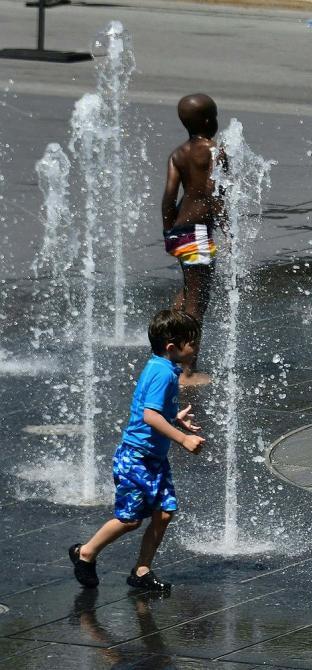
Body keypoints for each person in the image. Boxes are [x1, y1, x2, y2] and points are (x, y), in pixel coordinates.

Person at [68, 309, 206, 592]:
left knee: (165, 513)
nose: (196, 348)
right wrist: (182, 438)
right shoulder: (162, 374)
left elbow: (155, 410)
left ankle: (142, 570)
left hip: (153, 458)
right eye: (192, 342)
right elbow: (149, 416)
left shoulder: (165, 368)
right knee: (130, 519)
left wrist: (175, 417)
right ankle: (86, 552)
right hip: (136, 458)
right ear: (172, 347)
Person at [161, 93, 222, 386]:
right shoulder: (215, 151)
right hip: (199, 231)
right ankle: (187, 369)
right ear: (210, 121)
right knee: (199, 300)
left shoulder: (178, 153)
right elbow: (217, 194)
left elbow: (169, 196)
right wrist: (227, 227)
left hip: (180, 227)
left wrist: (168, 231)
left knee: (188, 292)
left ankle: (166, 345)